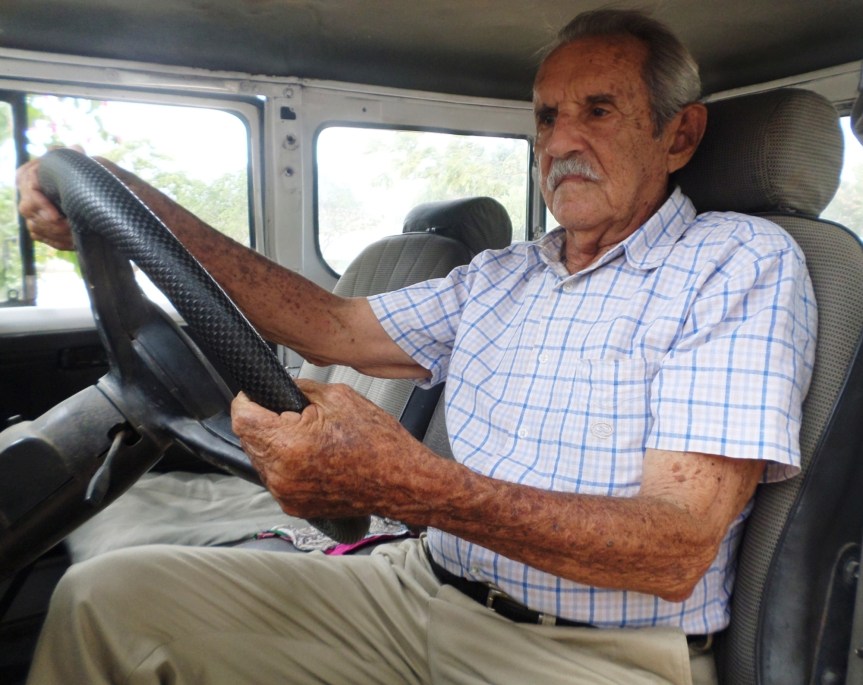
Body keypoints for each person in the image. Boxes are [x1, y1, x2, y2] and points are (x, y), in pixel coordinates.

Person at [17, 9, 816, 685]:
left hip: (588, 654)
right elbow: (330, 326)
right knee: (106, 598)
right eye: (544, 117)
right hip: (417, 588)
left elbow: (672, 548)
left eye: (597, 111)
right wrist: (125, 200)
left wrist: (409, 483)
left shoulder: (736, 262)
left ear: (679, 135)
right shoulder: (506, 273)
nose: (559, 142)